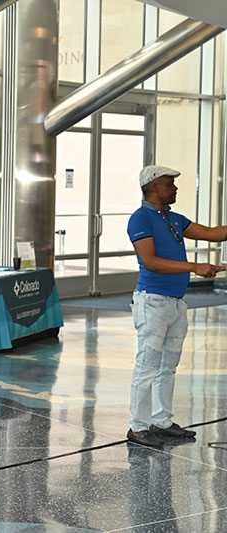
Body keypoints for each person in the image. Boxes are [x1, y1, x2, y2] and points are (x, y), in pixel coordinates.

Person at [125, 165, 227, 448]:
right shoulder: (140, 218)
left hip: (176, 303)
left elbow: (213, 233)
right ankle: (137, 427)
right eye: (170, 184)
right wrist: (195, 266)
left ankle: (161, 421)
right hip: (152, 302)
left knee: (167, 367)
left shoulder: (173, 218)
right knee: (147, 365)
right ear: (154, 187)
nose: (175, 188)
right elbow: (150, 262)